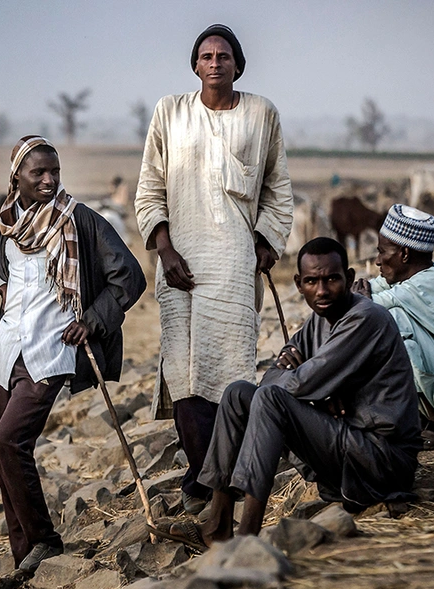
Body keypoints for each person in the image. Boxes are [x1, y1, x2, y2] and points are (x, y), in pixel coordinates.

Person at [153, 237, 421, 550]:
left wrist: (307, 383)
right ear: (299, 284)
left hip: (380, 460)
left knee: (270, 399)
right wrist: (314, 389)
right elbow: (273, 377)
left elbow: (294, 385)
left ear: (348, 278)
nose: (321, 291)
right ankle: (219, 523)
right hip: (347, 445)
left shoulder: (365, 319)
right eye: (311, 281)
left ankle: (247, 540)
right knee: (239, 393)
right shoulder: (318, 319)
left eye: (331, 279)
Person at [134, 23, 294, 514]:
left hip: (234, 263)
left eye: (224, 56)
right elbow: (149, 188)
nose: (215, 63)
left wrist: (266, 243)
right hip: (179, 264)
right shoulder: (169, 112)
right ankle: (206, 479)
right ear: (195, 65)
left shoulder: (261, 113)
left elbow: (277, 188)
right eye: (206, 56)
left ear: (238, 64)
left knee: (228, 374)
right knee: (183, 373)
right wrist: (165, 250)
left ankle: (216, 480)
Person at [0, 135, 146, 573]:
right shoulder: (5, 223)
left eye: (55, 172)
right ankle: (23, 558)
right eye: (38, 173)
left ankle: (46, 541)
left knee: (11, 442)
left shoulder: (80, 220)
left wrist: (93, 320)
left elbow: (129, 278)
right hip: (7, 349)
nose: (49, 180)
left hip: (52, 350)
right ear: (17, 179)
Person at [353, 204, 434, 448]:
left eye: (382, 252)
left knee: (386, 323)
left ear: (404, 255)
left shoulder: (427, 285)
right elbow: (373, 288)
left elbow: (366, 305)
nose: (376, 261)